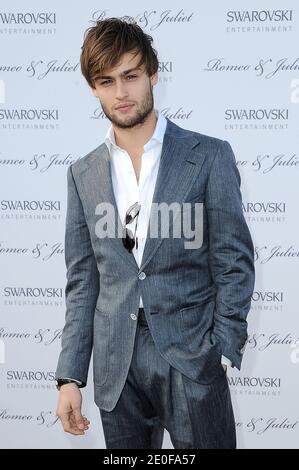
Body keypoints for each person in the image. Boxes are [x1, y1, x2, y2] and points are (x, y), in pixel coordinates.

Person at [55, 17, 255, 449]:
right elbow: (82, 283)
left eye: (130, 76)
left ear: (153, 74)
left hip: (191, 359)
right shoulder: (82, 174)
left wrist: (219, 347)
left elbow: (234, 261)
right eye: (106, 81)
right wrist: (70, 376)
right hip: (116, 367)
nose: (120, 93)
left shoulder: (209, 156)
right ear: (93, 88)